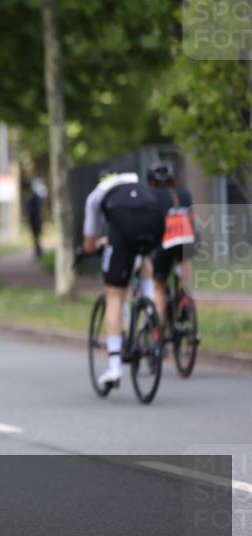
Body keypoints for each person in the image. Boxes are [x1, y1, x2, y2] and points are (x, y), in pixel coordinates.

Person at [82, 169, 165, 389]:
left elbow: (90, 244)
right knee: (144, 257)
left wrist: (93, 248)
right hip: (154, 220)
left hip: (123, 228)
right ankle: (150, 313)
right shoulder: (137, 183)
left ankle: (114, 367)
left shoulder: (95, 197)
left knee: (114, 295)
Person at [144, 160, 196, 328]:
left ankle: (157, 329)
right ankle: (184, 296)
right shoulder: (185, 193)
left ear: (152, 181)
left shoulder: (152, 195)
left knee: (158, 286)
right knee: (184, 261)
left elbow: (153, 224)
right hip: (188, 238)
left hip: (167, 240)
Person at [26, 181, 44, 259]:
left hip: (36, 218)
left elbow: (39, 207)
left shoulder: (34, 196)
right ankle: (37, 249)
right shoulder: (29, 196)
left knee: (37, 234)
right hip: (32, 218)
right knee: (34, 235)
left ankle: (39, 250)